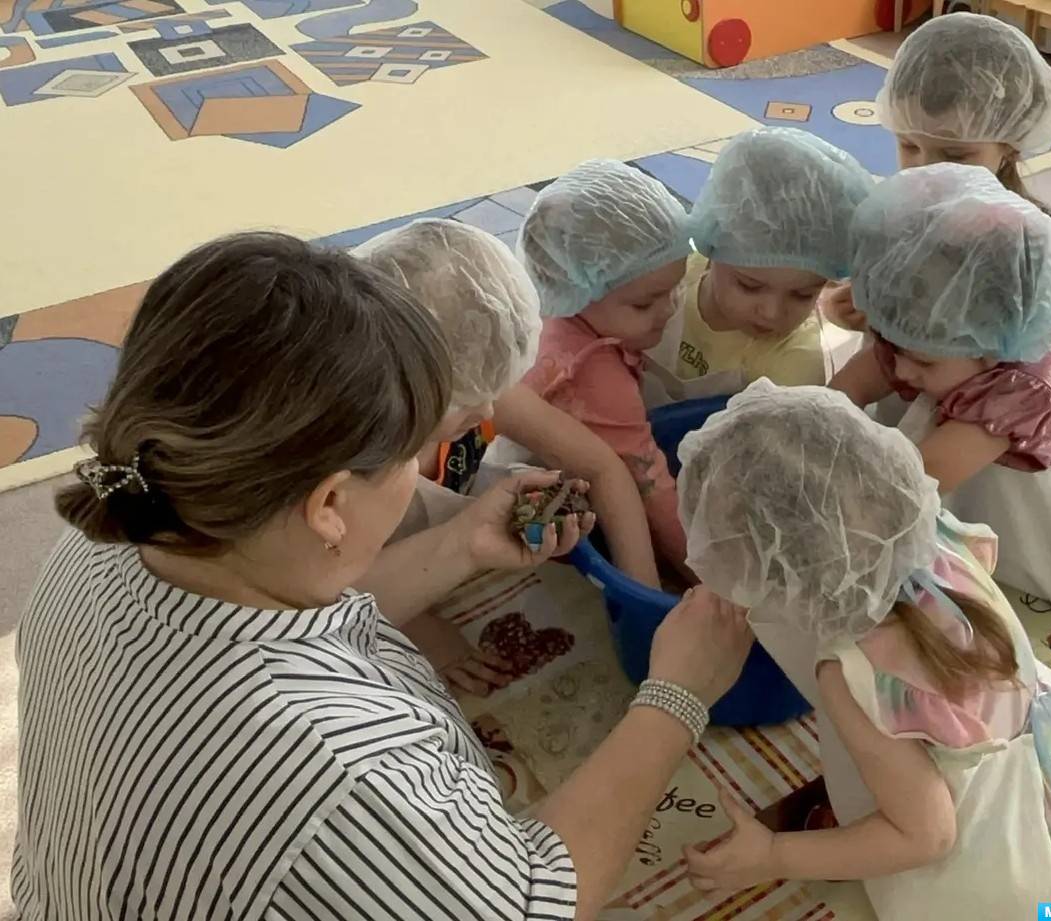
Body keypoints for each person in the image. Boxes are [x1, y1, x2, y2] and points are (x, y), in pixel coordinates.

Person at [12, 232, 755, 921]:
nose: (417, 478)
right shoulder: (342, 776)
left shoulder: (116, 527)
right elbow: (536, 902)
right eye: (410, 457)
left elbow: (295, 617)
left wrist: (461, 543)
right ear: (329, 505)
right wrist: (675, 698)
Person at [676, 381, 1051, 919]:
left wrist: (772, 853)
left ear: (774, 570)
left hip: (1002, 853)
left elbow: (925, 835)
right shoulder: (940, 537)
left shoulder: (853, 674)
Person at [357, 219, 660, 696]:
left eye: (493, 390)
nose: (486, 412)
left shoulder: (481, 386)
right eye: (463, 403)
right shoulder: (352, 460)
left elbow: (602, 467)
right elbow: (328, 592)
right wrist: (422, 629)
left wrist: (645, 599)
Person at [831, 163, 1051, 644]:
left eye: (922, 361)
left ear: (991, 345)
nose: (901, 370)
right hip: (974, 509)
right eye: (890, 344)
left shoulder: (1019, 392)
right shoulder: (928, 339)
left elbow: (912, 481)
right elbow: (841, 393)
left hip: (1038, 533)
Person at [825, 13, 1051, 335]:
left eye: (955, 155)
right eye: (909, 145)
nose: (927, 168)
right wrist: (852, 311)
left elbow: (1028, 344)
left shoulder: (1025, 239)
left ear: (1011, 145)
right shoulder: (890, 218)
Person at [518, 159, 694, 579]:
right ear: (579, 289)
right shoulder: (593, 374)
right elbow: (650, 487)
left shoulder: (551, 306)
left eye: (674, 289)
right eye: (645, 304)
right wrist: (707, 577)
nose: (669, 310)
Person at [645, 127, 874, 398]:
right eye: (749, 286)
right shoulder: (672, 276)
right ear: (712, 246)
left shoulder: (796, 364)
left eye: (802, 295)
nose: (772, 313)